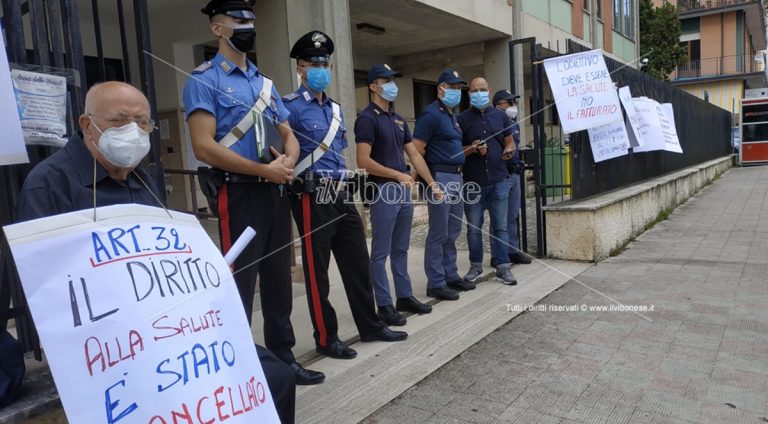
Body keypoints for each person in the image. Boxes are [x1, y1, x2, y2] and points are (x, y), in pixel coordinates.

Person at [15, 81, 298, 424]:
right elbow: (45, 288)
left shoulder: (143, 180)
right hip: (111, 345)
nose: (133, 132)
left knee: (275, 377)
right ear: (87, 125)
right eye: (120, 121)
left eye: (142, 122)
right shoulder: (49, 184)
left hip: (172, 328)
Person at [182, 0, 324, 388]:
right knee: (238, 283)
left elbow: (289, 133)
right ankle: (236, 369)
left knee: (279, 280)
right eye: (239, 20)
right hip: (239, 192)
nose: (248, 25)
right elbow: (203, 146)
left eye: (251, 20)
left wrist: (289, 161)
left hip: (275, 191)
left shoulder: (265, 83)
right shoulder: (204, 79)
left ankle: (282, 359)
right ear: (217, 28)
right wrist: (264, 169)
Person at [284, 31, 407, 360]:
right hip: (312, 194)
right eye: (314, 63)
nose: (321, 68)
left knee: (357, 264)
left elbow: (339, 155)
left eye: (325, 63)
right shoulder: (290, 108)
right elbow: (282, 153)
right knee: (317, 272)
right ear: (300, 68)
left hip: (341, 192)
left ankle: (370, 325)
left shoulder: (335, 110)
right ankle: (327, 336)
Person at [354, 64, 437, 326]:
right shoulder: (367, 118)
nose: (392, 85)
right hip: (384, 190)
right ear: (373, 86)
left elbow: (414, 154)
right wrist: (397, 175)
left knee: (400, 249)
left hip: (403, 190)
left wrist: (431, 182)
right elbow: (363, 160)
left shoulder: (398, 119)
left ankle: (404, 296)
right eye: (385, 80)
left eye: (393, 80)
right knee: (380, 252)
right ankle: (385, 304)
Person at [412, 68, 474, 301]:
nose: (457, 92)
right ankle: (435, 282)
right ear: (441, 89)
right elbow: (417, 151)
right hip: (440, 178)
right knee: (438, 233)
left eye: (459, 88)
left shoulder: (451, 116)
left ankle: (450, 275)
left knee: (453, 231)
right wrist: (430, 183)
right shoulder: (430, 115)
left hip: (456, 177)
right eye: (453, 87)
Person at [457, 78, 518, 285]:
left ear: (489, 91)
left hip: (499, 179)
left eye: (483, 90)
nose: (479, 93)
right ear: (469, 94)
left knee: (500, 226)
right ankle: (476, 266)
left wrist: (510, 150)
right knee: (474, 227)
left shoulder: (501, 117)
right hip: (472, 183)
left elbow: (509, 142)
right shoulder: (462, 119)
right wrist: (472, 148)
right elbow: (456, 151)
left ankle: (503, 267)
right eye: (475, 91)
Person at [492, 89, 531, 266]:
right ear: (499, 105)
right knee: (499, 218)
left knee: (512, 215)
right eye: (510, 102)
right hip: (502, 175)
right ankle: (498, 255)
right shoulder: (495, 122)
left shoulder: (512, 123)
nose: (514, 106)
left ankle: (512, 250)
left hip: (515, 173)